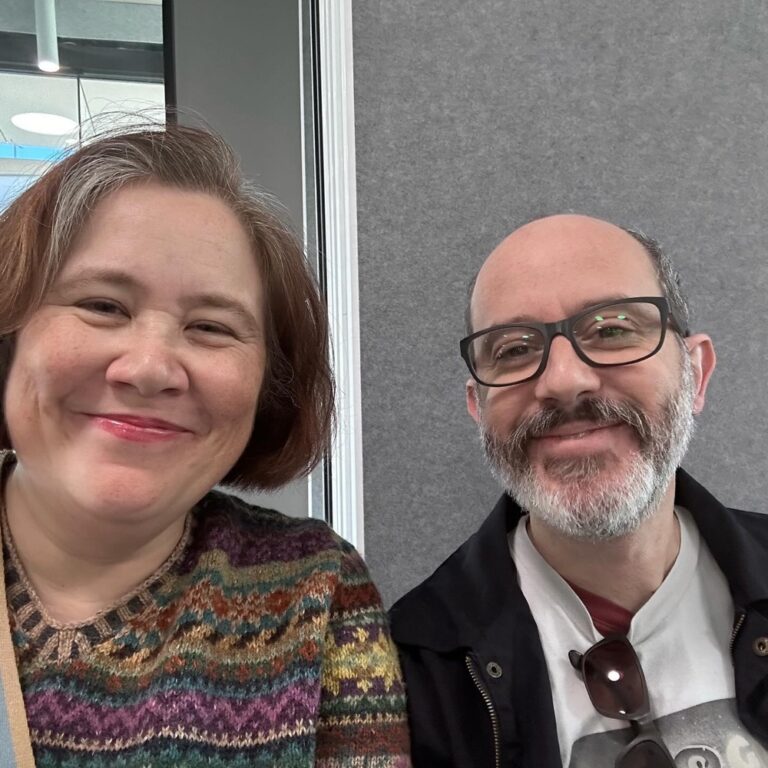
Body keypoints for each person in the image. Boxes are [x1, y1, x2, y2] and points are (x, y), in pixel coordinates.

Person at [0, 125, 410, 767]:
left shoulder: (312, 588)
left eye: (212, 327)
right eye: (103, 306)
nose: (150, 368)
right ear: (10, 334)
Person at [390, 213, 768, 768]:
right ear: (479, 408)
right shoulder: (413, 671)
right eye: (513, 349)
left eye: (612, 329)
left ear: (697, 374)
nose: (564, 380)